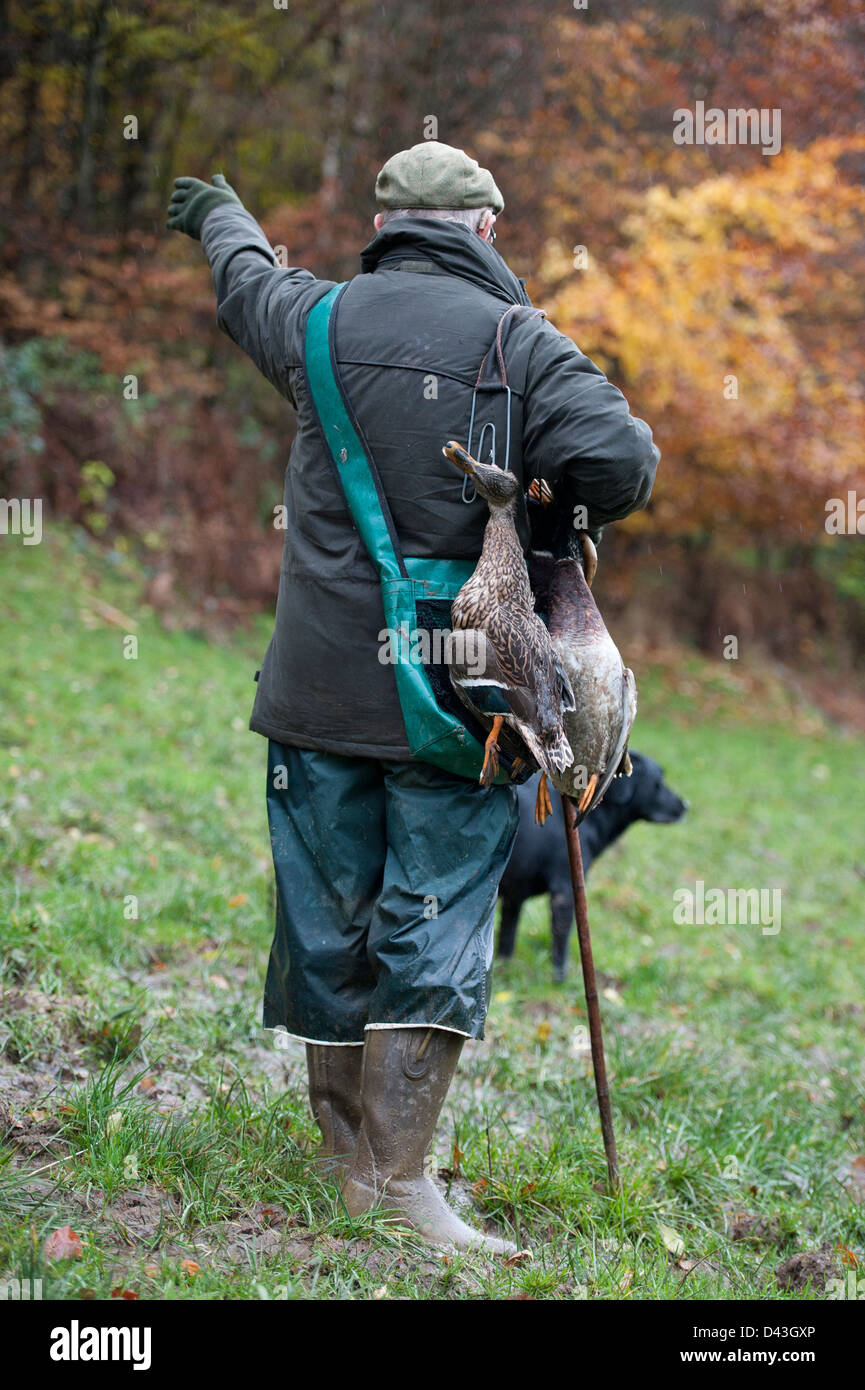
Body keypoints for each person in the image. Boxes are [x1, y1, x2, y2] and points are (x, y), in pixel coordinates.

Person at [166, 141, 659, 1254]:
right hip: (462, 695)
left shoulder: (316, 320)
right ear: (483, 229)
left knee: (326, 914)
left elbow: (245, 279)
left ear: (386, 226)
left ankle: (344, 1164)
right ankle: (396, 1185)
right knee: (431, 916)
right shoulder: (518, 343)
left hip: (317, 691)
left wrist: (221, 216)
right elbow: (624, 466)